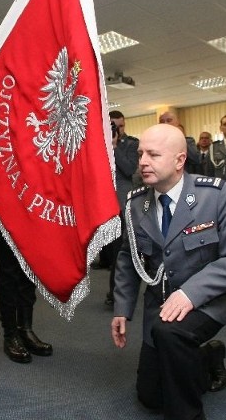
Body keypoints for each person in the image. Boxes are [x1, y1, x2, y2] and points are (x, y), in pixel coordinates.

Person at [111, 124, 226, 420]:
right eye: (140, 154)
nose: (142, 162)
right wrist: (122, 309)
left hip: (207, 301)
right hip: (159, 305)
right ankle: (207, 356)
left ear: (179, 161)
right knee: (150, 396)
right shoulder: (136, 203)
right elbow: (128, 257)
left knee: (171, 333)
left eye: (153, 154)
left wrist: (190, 294)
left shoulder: (215, 195)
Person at [99, 110, 139, 307]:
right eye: (113, 126)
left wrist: (114, 147)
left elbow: (130, 169)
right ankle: (114, 291)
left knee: (121, 253)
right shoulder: (98, 143)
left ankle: (117, 294)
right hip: (104, 204)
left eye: (119, 126)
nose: (117, 129)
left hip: (123, 205)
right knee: (110, 252)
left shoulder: (132, 144)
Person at [0, 234, 53, 363]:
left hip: (31, 217)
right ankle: (10, 335)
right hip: (5, 217)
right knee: (9, 270)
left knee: (30, 268)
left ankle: (25, 329)